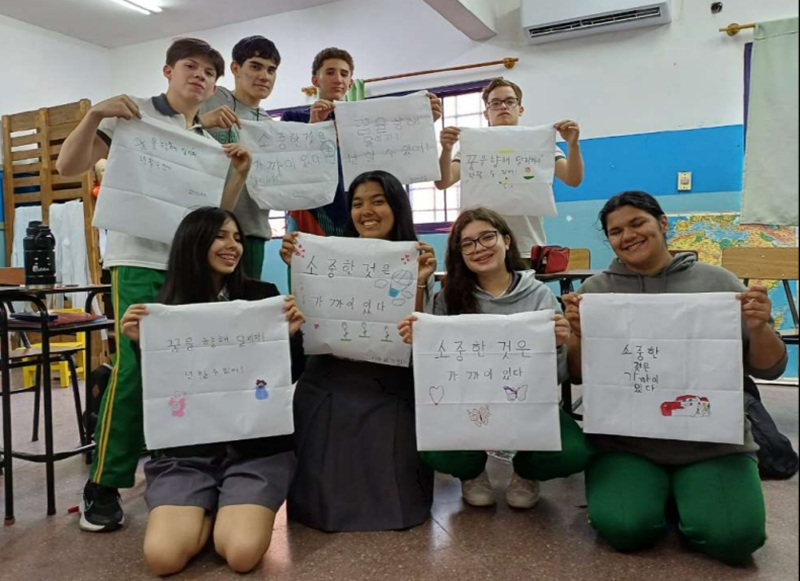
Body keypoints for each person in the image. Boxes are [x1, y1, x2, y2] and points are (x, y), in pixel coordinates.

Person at [56, 38, 253, 533]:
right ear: (168, 70)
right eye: (191, 67)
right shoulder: (131, 116)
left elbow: (211, 214)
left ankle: (181, 473)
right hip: (138, 260)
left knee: (188, 369)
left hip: (188, 265)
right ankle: (104, 484)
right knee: (132, 369)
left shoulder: (205, 142)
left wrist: (237, 176)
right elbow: (66, 167)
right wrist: (92, 114)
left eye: (210, 73)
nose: (200, 78)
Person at [562, 191, 788, 566]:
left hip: (712, 444)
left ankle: (684, 494)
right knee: (624, 529)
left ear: (662, 224)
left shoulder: (719, 283)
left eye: (638, 223)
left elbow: (770, 368)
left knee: (735, 538)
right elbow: (576, 373)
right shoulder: (595, 293)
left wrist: (759, 327)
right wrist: (579, 335)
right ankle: (659, 494)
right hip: (626, 442)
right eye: (615, 231)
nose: (628, 235)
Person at [118, 207, 305, 575]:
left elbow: (293, 375)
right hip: (188, 454)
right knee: (162, 558)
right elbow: (163, 390)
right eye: (221, 236)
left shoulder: (261, 296)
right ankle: (206, 510)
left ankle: (225, 512)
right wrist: (141, 345)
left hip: (256, 449)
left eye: (236, 237)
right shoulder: (164, 309)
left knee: (240, 554)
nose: (232, 245)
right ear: (193, 242)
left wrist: (291, 341)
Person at [397, 208, 593, 509]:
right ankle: (472, 473)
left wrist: (555, 345)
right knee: (433, 445)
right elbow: (433, 368)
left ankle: (526, 473)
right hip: (465, 404)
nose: (479, 248)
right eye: (468, 243)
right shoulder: (447, 298)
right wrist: (421, 338)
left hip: (526, 404)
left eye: (487, 237)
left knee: (573, 452)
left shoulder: (538, 295)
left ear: (506, 240)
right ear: (459, 253)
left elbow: (558, 376)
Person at [279, 170, 437, 531]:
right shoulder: (326, 255)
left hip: (390, 382)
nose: (367, 210)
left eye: (378, 201)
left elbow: (412, 342)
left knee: (398, 494)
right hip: (330, 378)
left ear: (397, 206)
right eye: (358, 203)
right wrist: (299, 266)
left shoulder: (418, 260)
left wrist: (418, 281)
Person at [282, 47, 442, 238]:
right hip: (313, 211)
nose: (338, 79)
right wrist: (314, 127)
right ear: (315, 80)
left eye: (344, 74)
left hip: (358, 208)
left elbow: (393, 153)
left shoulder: (367, 117)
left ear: (350, 83)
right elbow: (287, 168)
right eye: (330, 72)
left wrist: (421, 122)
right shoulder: (294, 118)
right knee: (310, 265)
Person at [434, 78, 584, 261]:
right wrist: (447, 149)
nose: (503, 106)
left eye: (510, 101)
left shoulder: (539, 142)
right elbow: (443, 182)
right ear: (486, 112)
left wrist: (573, 145)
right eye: (495, 103)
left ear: (520, 109)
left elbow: (573, 179)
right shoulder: (472, 146)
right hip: (480, 247)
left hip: (526, 246)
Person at [200, 35, 282, 279]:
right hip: (206, 226)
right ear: (235, 68)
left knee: (245, 305)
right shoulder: (210, 99)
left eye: (271, 70)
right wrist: (202, 121)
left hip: (251, 229)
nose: (264, 76)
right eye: (255, 66)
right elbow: (173, 131)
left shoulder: (271, 125)